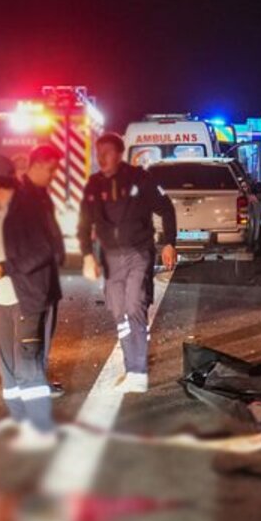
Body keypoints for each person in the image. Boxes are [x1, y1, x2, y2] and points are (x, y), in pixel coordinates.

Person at [77, 132, 177, 393]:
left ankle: (137, 370)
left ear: (119, 154)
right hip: (109, 257)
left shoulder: (140, 179)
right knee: (119, 311)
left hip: (138, 252)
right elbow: (84, 221)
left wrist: (169, 242)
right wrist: (87, 254)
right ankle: (130, 361)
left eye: (107, 153)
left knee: (135, 304)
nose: (102, 159)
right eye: (99, 154)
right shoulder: (94, 184)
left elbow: (166, 208)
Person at [0, 154, 60, 451]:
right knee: (8, 368)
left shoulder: (27, 208)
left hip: (28, 297)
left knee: (27, 365)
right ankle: (22, 424)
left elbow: (43, 250)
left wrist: (5, 267)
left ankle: (41, 429)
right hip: (1, 299)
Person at [22, 144, 66, 397]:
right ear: (37, 165)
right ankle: (33, 383)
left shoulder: (39, 193)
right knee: (34, 334)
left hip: (45, 276)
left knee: (43, 331)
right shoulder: (23, 196)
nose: (54, 175)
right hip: (34, 279)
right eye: (51, 169)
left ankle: (37, 379)